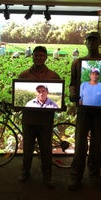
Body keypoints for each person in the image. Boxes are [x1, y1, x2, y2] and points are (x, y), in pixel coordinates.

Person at [18, 46, 61, 188]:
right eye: (36, 55)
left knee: (46, 149)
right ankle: (25, 172)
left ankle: (47, 176)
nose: (38, 58)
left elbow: (61, 99)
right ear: (32, 56)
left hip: (46, 121)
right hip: (29, 119)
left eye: (42, 56)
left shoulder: (53, 76)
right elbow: (18, 100)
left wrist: (61, 105)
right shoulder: (24, 75)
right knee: (27, 148)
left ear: (46, 57)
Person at [68, 31, 101, 191]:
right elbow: (73, 82)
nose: (91, 43)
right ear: (85, 43)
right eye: (89, 40)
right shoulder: (78, 62)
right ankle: (76, 177)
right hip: (83, 110)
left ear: (99, 43)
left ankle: (95, 174)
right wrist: (73, 94)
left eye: (94, 40)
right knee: (80, 144)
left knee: (98, 144)